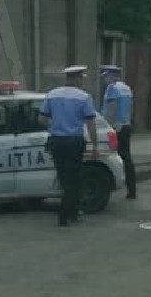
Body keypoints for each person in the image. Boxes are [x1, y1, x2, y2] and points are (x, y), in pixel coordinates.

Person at [39, 65, 100, 227]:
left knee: (63, 176)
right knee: (74, 178)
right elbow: (91, 123)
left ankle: (71, 211)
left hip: (57, 141)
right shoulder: (84, 97)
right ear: (77, 78)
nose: (82, 81)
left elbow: (42, 119)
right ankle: (66, 213)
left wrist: (55, 126)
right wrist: (95, 145)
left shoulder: (52, 94)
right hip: (74, 142)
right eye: (81, 78)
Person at [101, 65, 137, 200]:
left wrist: (107, 127)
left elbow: (112, 108)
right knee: (126, 157)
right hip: (125, 125)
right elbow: (131, 108)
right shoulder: (126, 88)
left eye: (106, 76)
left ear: (112, 76)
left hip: (116, 127)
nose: (104, 79)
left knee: (109, 157)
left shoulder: (112, 88)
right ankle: (132, 189)